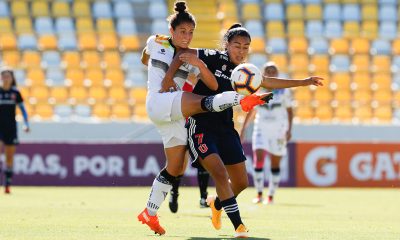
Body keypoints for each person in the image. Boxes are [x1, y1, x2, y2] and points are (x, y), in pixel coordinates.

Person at [162, 23, 323, 238]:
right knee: (219, 172)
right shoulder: (212, 57)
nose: (241, 51)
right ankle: (239, 226)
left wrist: (303, 82)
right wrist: (168, 77)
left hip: (227, 129)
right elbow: (182, 52)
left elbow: (267, 81)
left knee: (241, 183)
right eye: (237, 45)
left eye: (246, 47)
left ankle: (217, 204)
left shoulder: (245, 72)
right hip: (201, 126)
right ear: (226, 45)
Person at [137, 2, 270, 236]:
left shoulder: (190, 57)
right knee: (200, 103)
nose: (187, 37)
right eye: (182, 32)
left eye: (191, 33)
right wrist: (162, 76)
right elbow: (145, 58)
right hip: (158, 102)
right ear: (171, 31)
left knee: (175, 168)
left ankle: (149, 212)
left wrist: (196, 67)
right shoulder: (155, 41)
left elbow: (215, 85)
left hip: (173, 113)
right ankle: (243, 101)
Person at [240, 62, 293, 205]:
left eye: (273, 71)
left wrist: (289, 129)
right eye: (267, 70)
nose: (270, 73)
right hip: (261, 127)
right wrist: (243, 128)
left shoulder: (284, 91)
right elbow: (251, 110)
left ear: (277, 74)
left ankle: (271, 195)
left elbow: (289, 110)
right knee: (259, 156)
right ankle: (259, 193)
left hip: (279, 129)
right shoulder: (256, 89)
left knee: (275, 162)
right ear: (263, 73)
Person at [0, 68, 30, 194]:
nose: (6, 79)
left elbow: (23, 110)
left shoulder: (15, 93)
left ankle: (7, 185)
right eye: (4, 76)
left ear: (12, 79)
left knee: (9, 158)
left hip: (11, 129)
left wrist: (26, 124)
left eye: (8, 77)